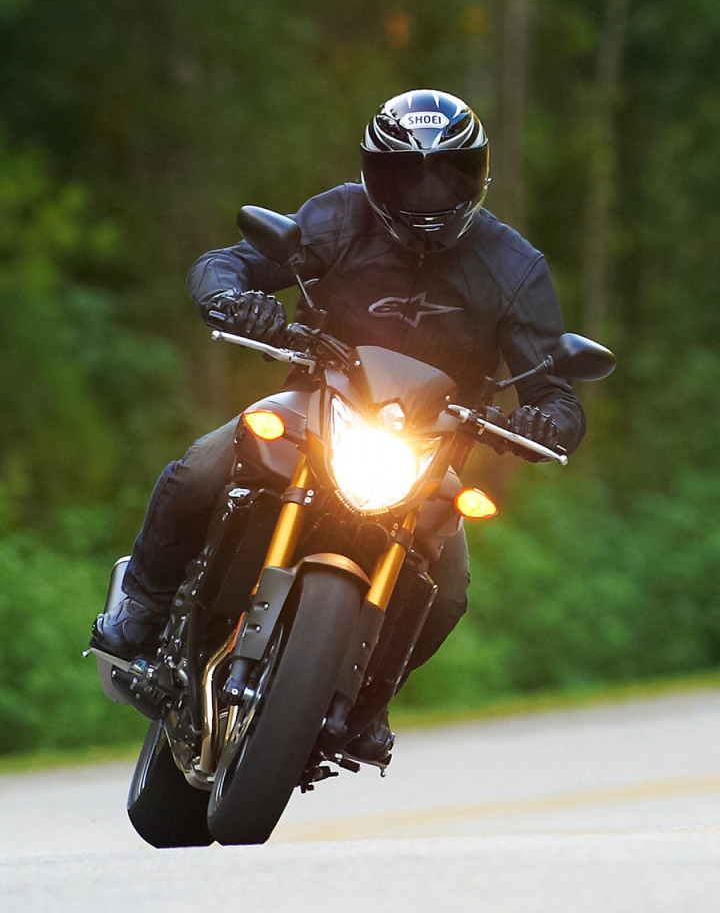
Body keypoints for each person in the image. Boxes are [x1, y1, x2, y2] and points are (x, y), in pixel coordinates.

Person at [91, 88, 585, 760]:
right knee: (204, 463)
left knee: (449, 592)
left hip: (428, 453)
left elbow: (558, 392)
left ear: (477, 175)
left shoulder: (513, 266)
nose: (426, 192)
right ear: (374, 171)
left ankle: (369, 703)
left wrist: (546, 420)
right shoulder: (339, 217)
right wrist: (235, 299)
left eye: (445, 173)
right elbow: (227, 262)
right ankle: (142, 612)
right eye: (407, 172)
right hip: (315, 410)